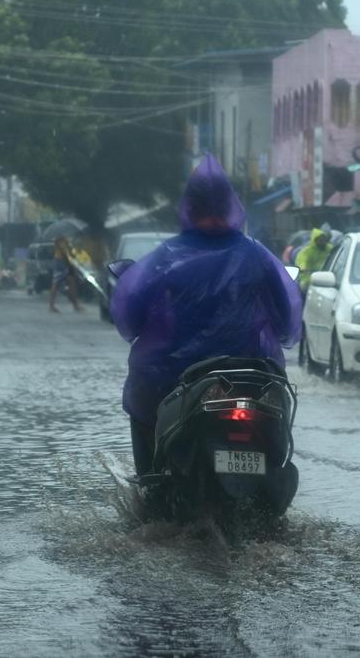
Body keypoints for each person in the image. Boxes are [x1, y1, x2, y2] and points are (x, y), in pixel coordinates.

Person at [110, 154, 301, 478]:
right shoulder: (256, 254)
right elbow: (287, 321)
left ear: (189, 208)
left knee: (143, 416)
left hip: (169, 376)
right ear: (231, 206)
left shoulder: (166, 257)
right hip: (250, 375)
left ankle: (149, 484)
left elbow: (128, 316)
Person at [49, 235, 84, 313]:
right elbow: (65, 251)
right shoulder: (61, 239)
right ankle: (52, 306)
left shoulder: (65, 239)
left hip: (64, 262)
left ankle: (75, 305)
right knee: (57, 283)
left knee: (71, 283)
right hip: (61, 262)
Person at [294, 227, 332, 292]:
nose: (323, 242)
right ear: (315, 240)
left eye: (324, 240)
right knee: (304, 288)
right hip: (309, 278)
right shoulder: (306, 251)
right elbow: (302, 261)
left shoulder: (330, 248)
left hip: (328, 276)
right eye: (320, 240)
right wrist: (303, 268)